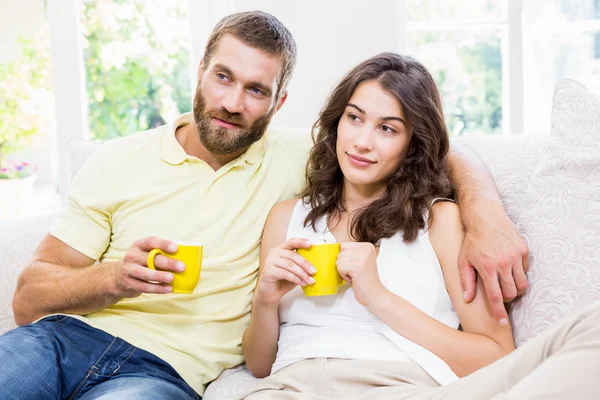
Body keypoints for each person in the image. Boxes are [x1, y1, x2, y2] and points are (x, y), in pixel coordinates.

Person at [1, 11, 526, 400]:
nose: (233, 103)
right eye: (223, 77)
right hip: (62, 340)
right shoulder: (118, 159)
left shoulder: (309, 160)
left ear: (279, 105)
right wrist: (114, 277)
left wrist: (486, 213)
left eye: (256, 90)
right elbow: (26, 300)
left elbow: (436, 142)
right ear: (201, 70)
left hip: (162, 373)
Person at [241, 52, 600, 400]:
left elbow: (496, 356)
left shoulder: (440, 222)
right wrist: (266, 299)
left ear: (412, 144)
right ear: (337, 123)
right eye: (354, 118)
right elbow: (259, 366)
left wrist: (379, 297)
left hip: (403, 387)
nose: (362, 142)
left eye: (387, 128)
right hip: (296, 387)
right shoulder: (287, 217)